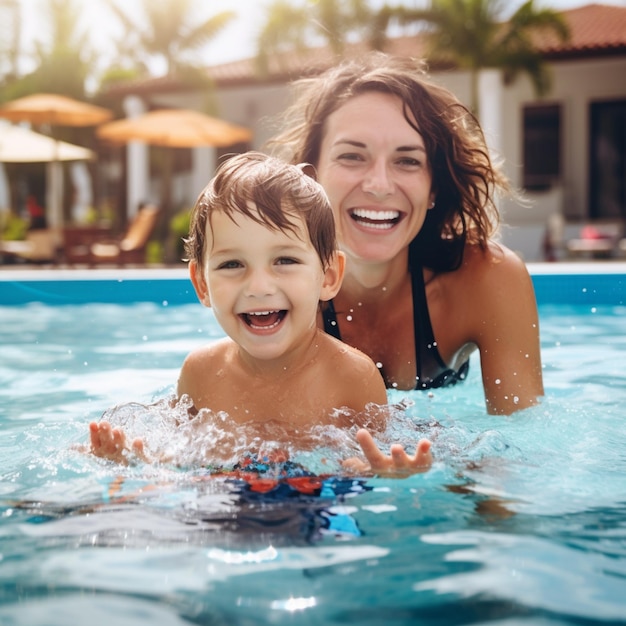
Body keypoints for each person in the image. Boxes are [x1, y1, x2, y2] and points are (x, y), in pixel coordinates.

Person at [90, 152, 432, 475]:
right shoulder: (201, 372)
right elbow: (180, 461)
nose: (258, 286)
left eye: (285, 260)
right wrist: (138, 461)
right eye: (232, 264)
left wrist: (389, 472)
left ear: (328, 276)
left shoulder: (352, 377)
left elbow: (377, 459)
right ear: (202, 284)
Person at [268, 52, 544, 415]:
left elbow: (522, 442)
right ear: (311, 175)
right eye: (352, 156)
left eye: (408, 160)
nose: (379, 185)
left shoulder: (486, 279)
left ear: (433, 187)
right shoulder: (277, 285)